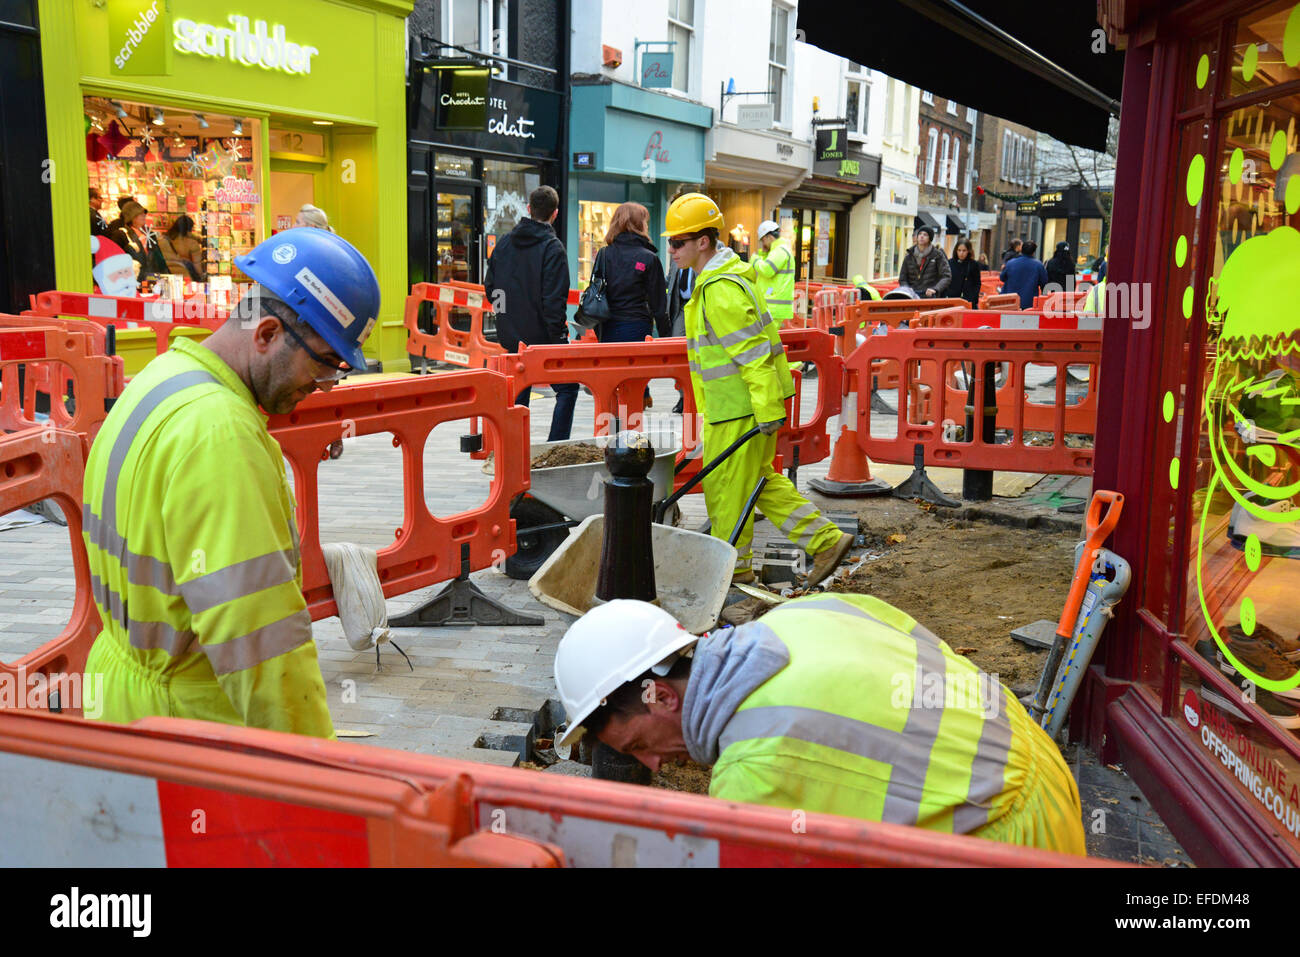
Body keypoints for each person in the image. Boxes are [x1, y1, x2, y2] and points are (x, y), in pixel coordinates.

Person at [81, 228, 381, 738]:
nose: (324, 385)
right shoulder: (221, 436)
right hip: (189, 730)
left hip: (120, 697)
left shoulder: (161, 378)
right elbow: (263, 648)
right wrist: (318, 774)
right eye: (325, 363)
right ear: (266, 334)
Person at [554, 594, 1087, 856]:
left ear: (662, 696)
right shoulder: (802, 615)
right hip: (1038, 763)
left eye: (639, 745)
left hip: (1009, 837)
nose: (651, 764)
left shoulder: (753, 768)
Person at [665, 192, 853, 587]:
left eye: (678, 242)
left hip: (739, 411)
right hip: (737, 407)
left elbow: (752, 357)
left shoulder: (719, 290)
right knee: (759, 483)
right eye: (670, 241)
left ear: (703, 241)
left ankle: (735, 579)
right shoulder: (722, 281)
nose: (672, 249)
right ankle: (826, 542)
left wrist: (766, 410)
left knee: (727, 494)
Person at [485, 185, 578, 441]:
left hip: (513, 339)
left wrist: (504, 318)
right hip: (544, 341)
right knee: (568, 388)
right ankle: (555, 446)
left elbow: (492, 288)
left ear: (528, 209)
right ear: (555, 214)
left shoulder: (504, 243)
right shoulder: (553, 248)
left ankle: (512, 449)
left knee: (517, 393)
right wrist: (559, 338)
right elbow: (553, 301)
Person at [745, 219, 796, 327]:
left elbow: (767, 270)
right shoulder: (777, 251)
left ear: (769, 237)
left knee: (768, 341)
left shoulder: (780, 251)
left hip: (774, 307)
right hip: (772, 307)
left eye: (763, 240)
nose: (763, 243)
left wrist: (754, 259)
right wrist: (762, 254)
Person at [105, 200, 164, 281]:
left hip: (152, 279)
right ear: (131, 217)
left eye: (144, 213)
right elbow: (114, 261)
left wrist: (163, 278)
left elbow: (158, 260)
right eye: (139, 214)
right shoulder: (121, 235)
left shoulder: (150, 234)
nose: (143, 215)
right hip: (132, 282)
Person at [898, 225, 951, 299]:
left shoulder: (938, 255)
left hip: (930, 296)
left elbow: (946, 276)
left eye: (925, 235)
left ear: (930, 238)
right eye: (920, 234)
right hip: (911, 295)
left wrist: (935, 289)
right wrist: (907, 288)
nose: (921, 236)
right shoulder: (909, 256)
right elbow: (902, 278)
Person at [1000, 239, 1049, 308]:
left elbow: (1002, 278)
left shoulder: (1010, 263)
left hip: (1010, 302)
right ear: (1033, 252)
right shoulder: (1038, 265)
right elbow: (1044, 283)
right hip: (1029, 303)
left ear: (1022, 250)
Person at [158, 214, 206, 282]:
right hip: (185, 278)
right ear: (189, 230)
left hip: (167, 277)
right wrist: (202, 276)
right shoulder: (192, 244)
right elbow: (197, 266)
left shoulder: (163, 240)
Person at [949, 238, 984, 308]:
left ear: (968, 251)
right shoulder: (950, 263)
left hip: (968, 300)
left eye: (964, 250)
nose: (961, 253)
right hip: (952, 299)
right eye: (959, 250)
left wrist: (973, 297)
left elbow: (977, 283)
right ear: (956, 250)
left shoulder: (974, 264)